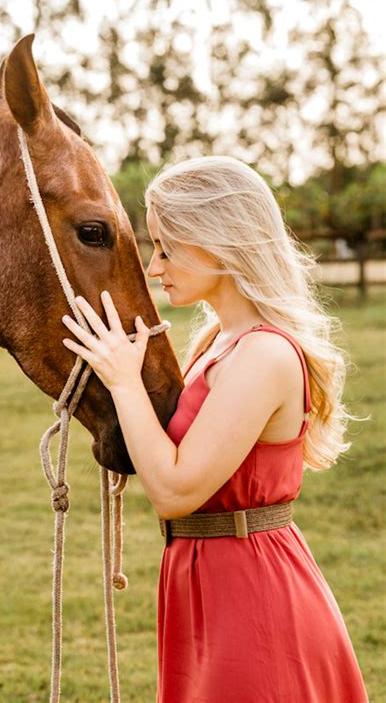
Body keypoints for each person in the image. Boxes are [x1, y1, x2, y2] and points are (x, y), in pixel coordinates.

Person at [61, 156, 368, 702]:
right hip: (201, 580)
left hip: (251, 594)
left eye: (166, 248)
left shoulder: (266, 354)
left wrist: (126, 382)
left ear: (220, 242)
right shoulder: (215, 345)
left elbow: (177, 490)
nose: (155, 268)